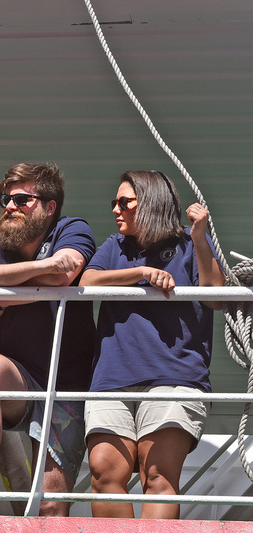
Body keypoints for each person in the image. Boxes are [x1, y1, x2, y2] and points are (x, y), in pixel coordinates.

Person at [0, 163, 96, 517]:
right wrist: (45, 267)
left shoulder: (72, 228)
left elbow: (64, 279)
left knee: (52, 503)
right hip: (19, 375)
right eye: (6, 198)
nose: (9, 205)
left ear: (49, 206)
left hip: (68, 384)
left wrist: (3, 294)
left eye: (21, 198)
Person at [79, 170, 224, 519]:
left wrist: (201, 237)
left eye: (124, 202)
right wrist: (141, 274)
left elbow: (216, 296)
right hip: (111, 380)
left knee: (157, 475)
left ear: (150, 203)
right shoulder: (115, 246)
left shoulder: (189, 243)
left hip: (175, 376)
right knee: (103, 474)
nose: (116, 209)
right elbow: (87, 280)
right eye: (114, 202)